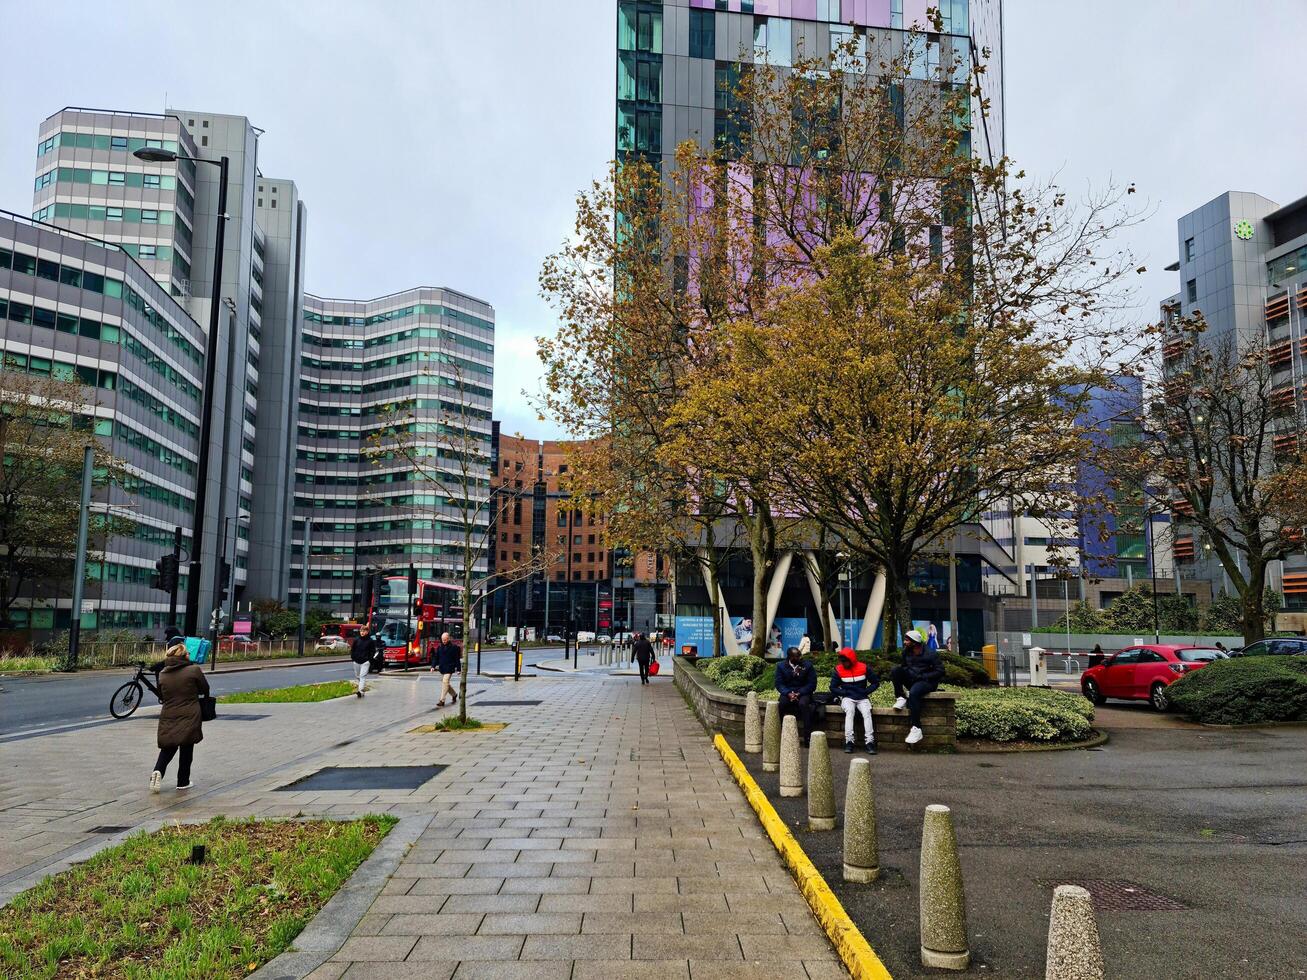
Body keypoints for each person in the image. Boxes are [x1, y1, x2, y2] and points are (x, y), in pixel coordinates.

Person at [150, 627, 209, 793]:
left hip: (169, 713)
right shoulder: (193, 671)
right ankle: (182, 781)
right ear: (184, 656)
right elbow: (205, 688)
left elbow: (161, 693)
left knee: (168, 745)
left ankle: (157, 770)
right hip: (190, 712)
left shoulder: (163, 674)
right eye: (188, 653)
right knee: (186, 747)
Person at [890, 629, 945, 745]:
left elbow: (940, 671)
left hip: (927, 682)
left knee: (914, 693)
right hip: (913, 679)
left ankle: (917, 728)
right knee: (896, 670)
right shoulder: (906, 652)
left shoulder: (930, 653)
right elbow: (904, 666)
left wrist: (923, 675)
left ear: (914, 642)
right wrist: (907, 673)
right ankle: (900, 697)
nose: (904, 642)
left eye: (906, 640)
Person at [831, 647, 878, 754]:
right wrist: (845, 693)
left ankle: (870, 742)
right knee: (850, 712)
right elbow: (832, 687)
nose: (843, 663)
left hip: (862, 697)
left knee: (867, 713)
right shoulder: (838, 670)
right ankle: (849, 742)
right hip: (847, 698)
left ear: (851, 659)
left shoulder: (864, 668)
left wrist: (865, 692)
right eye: (841, 661)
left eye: (845, 661)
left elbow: (875, 683)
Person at [775, 645, 817, 744]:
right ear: (790, 657)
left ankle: (807, 738)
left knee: (803, 704)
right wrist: (788, 693)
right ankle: (779, 735)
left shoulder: (808, 666)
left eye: (799, 655)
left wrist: (800, 693)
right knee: (781, 704)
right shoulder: (781, 666)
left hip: (803, 692)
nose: (799, 658)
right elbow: (779, 684)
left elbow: (812, 684)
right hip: (788, 692)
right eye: (796, 656)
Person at [432, 632, 462, 707]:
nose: (444, 641)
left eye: (445, 639)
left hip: (449, 668)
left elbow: (457, 659)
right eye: (442, 639)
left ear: (448, 639)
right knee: (446, 684)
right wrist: (433, 666)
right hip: (442, 668)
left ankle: (442, 700)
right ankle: (454, 694)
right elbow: (436, 658)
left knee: (445, 682)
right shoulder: (439, 648)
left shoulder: (454, 648)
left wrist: (459, 669)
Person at [349, 624, 374, 697]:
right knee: (357, 676)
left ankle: (360, 691)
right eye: (361, 631)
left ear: (367, 632)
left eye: (364, 631)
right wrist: (353, 657)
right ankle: (362, 690)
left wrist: (369, 660)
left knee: (362, 676)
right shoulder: (356, 640)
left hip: (365, 662)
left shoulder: (370, 641)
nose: (362, 632)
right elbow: (352, 649)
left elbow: (372, 651)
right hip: (356, 661)